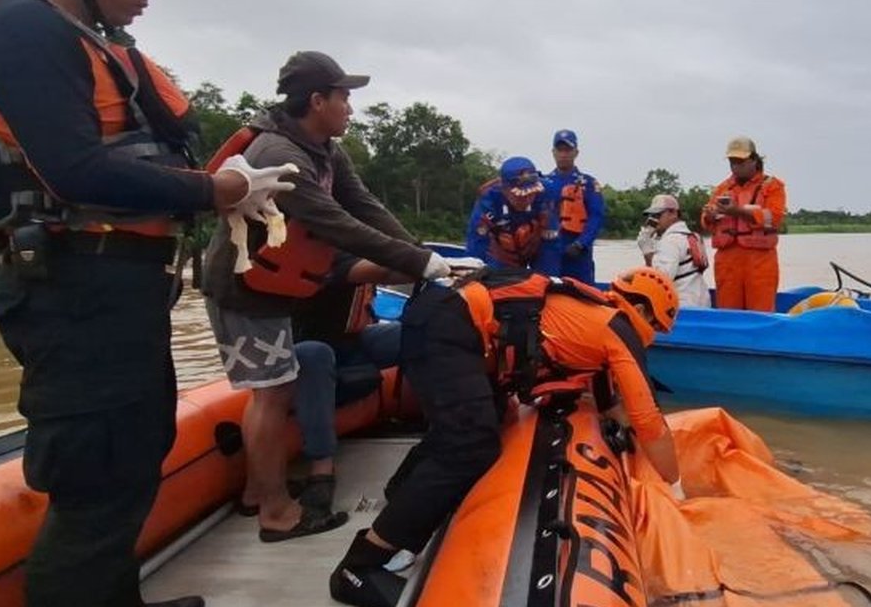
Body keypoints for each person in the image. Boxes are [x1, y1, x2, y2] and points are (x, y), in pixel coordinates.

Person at [0, 0, 291, 605]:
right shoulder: (21, 30)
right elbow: (77, 170)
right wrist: (217, 190)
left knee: (129, 464)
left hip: (112, 295)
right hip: (75, 296)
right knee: (96, 483)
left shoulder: (67, 35)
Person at [202, 51, 452, 543]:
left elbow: (365, 205)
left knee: (273, 387)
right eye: (344, 98)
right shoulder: (282, 156)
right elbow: (337, 224)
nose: (350, 109)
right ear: (317, 101)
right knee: (271, 392)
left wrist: (416, 254)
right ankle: (275, 511)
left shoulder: (326, 150)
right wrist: (419, 263)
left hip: (270, 286)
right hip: (242, 287)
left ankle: (258, 492)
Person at [327, 267, 684, 607]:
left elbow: (611, 407)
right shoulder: (616, 328)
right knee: (470, 445)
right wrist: (675, 488)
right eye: (656, 326)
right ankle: (360, 565)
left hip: (445, 318)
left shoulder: (595, 315)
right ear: (640, 310)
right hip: (451, 325)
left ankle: (401, 504)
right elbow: (648, 418)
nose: (652, 335)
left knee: (484, 420)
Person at [288, 256, 408, 513]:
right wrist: (428, 264)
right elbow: (376, 268)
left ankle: (449, 426)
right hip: (303, 354)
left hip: (350, 342)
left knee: (417, 330)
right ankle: (322, 469)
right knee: (314, 354)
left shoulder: (353, 241)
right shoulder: (321, 252)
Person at [700, 137, 787, 312]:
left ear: (754, 160)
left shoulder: (773, 187)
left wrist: (738, 212)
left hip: (760, 262)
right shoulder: (722, 189)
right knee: (728, 313)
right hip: (727, 262)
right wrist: (709, 216)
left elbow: (775, 218)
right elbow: (706, 223)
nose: (735, 166)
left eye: (740, 161)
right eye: (732, 161)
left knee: (761, 312)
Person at [535, 129, 605, 281]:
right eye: (560, 150)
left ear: (576, 152)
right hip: (548, 252)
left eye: (568, 150)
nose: (563, 154)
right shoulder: (542, 183)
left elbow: (596, 217)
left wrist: (581, 243)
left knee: (583, 297)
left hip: (578, 253)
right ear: (553, 152)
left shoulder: (589, 184)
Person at [465, 156, 547, 268]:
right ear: (505, 190)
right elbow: (476, 243)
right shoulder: (488, 201)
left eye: (531, 193)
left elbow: (551, 242)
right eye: (521, 195)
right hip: (500, 254)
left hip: (535, 249)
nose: (527, 199)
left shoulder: (546, 194)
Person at [637, 194, 711, 307]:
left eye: (657, 215)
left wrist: (647, 249)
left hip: (682, 306)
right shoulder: (692, 236)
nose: (654, 220)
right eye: (652, 216)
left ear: (673, 213)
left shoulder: (671, 241)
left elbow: (661, 278)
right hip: (701, 301)